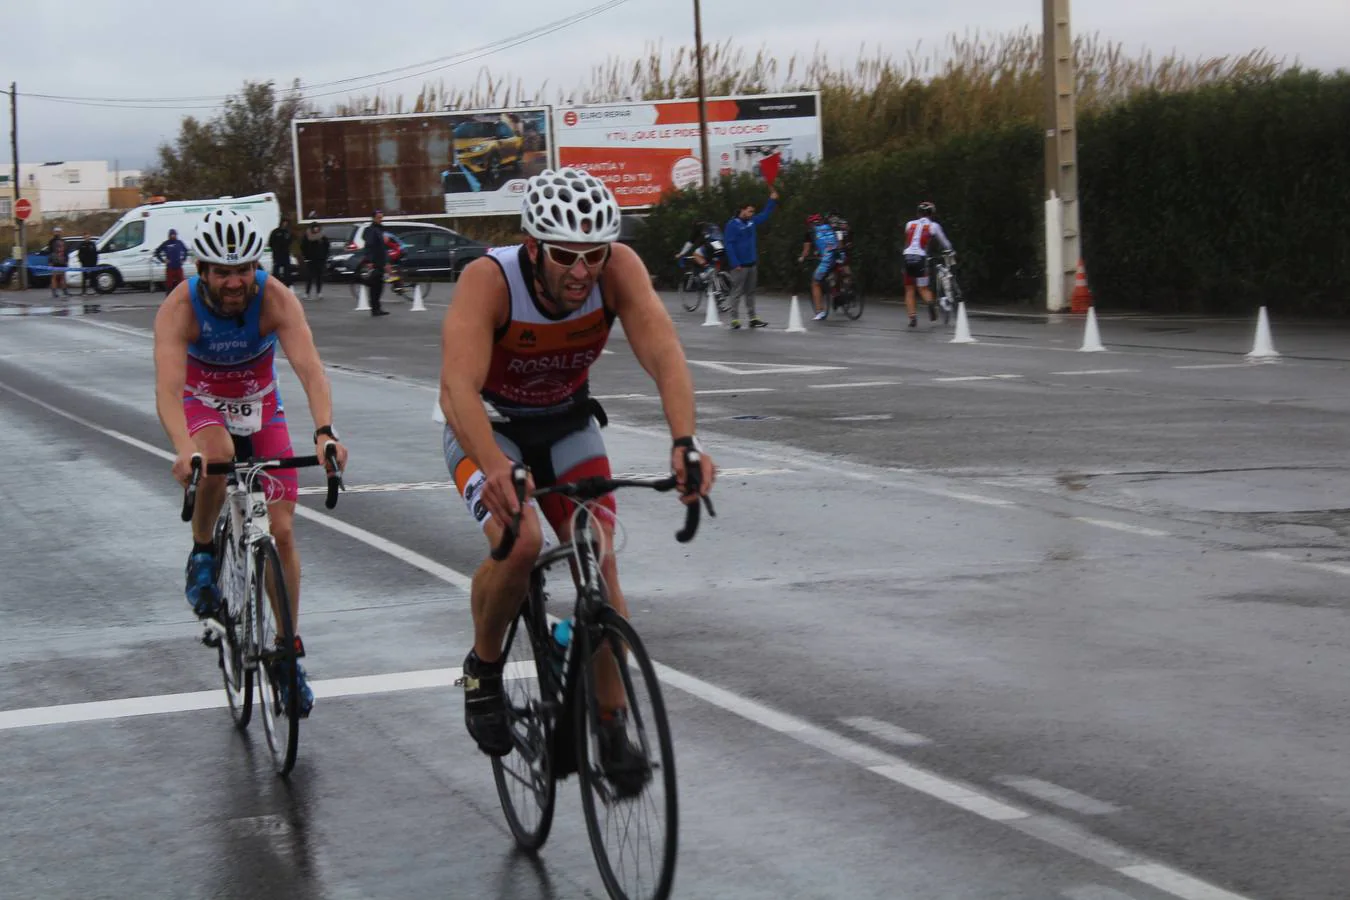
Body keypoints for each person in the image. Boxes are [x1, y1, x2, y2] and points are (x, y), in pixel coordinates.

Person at [439, 168, 716, 789]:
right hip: (487, 426)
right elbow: (457, 388)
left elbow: (664, 353)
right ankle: (481, 673)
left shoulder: (619, 270)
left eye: (594, 255)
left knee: (600, 558)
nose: (582, 271)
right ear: (533, 247)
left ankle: (611, 722)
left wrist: (685, 442)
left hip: (565, 424)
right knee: (524, 542)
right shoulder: (490, 280)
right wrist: (493, 466)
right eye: (565, 255)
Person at [152, 207, 349, 717]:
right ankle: (201, 554)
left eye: (243, 270)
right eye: (223, 271)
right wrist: (183, 447)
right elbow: (169, 390)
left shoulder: (275, 298)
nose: (235, 282)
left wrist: (325, 432)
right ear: (203, 271)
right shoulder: (181, 308)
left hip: (260, 402)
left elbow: (310, 370)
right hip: (201, 401)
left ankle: (286, 654)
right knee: (214, 456)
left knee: (281, 531)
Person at [722, 187, 778, 329]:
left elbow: (765, 215)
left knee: (751, 292)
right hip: (739, 266)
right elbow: (729, 245)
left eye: (753, 211)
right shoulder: (732, 225)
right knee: (736, 292)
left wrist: (772, 200)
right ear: (742, 210)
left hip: (752, 263)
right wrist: (735, 263)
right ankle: (734, 319)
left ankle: (753, 318)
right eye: (750, 211)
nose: (752, 214)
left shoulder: (752, 222)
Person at [901, 201, 955, 328]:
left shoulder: (909, 224)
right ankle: (930, 302)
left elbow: (909, 239)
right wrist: (951, 251)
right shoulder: (933, 226)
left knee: (909, 289)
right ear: (932, 214)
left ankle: (912, 317)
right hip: (921, 258)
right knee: (923, 288)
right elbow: (945, 243)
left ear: (918, 213)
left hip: (907, 256)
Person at [797, 213, 841, 321]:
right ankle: (840, 289)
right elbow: (839, 240)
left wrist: (802, 258)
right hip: (840, 254)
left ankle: (820, 312)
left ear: (810, 224)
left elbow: (806, 251)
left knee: (815, 282)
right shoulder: (830, 227)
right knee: (837, 269)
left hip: (827, 258)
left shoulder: (810, 232)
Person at [362, 211, 391, 317]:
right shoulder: (372, 230)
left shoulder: (380, 229)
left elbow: (383, 248)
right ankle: (375, 308)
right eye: (379, 217)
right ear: (373, 218)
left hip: (381, 260)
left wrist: (386, 262)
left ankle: (377, 307)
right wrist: (369, 261)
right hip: (375, 261)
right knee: (375, 285)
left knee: (379, 285)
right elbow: (368, 246)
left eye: (381, 217)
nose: (380, 219)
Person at [153, 228, 190, 294]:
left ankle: (181, 296)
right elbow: (157, 252)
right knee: (169, 284)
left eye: (174, 235)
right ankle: (169, 297)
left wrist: (183, 259)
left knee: (181, 283)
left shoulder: (179, 242)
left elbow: (186, 251)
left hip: (178, 266)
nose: (173, 236)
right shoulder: (166, 243)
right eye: (172, 235)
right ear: (169, 235)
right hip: (170, 267)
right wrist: (163, 260)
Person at [299, 222, 329, 300]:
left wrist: (324, 256)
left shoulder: (322, 236)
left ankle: (319, 292)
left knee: (319, 276)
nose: (316, 229)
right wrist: (306, 256)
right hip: (310, 259)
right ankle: (307, 293)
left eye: (317, 227)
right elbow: (303, 246)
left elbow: (327, 246)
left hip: (320, 259)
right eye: (314, 227)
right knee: (309, 276)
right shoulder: (307, 236)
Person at [268, 217, 294, 285]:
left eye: (286, 222)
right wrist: (275, 249)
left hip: (285, 254)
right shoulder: (275, 232)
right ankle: (275, 283)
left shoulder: (287, 232)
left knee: (287, 270)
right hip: (277, 254)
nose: (285, 224)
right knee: (276, 270)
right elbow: (270, 243)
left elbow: (290, 241)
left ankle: (287, 283)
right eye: (284, 222)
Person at [46, 228, 70, 298]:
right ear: (54, 232)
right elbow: (49, 252)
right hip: (54, 262)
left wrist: (66, 260)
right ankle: (54, 292)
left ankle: (65, 291)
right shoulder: (51, 241)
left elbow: (66, 251)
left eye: (59, 232)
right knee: (54, 277)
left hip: (62, 261)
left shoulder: (63, 241)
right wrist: (50, 261)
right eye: (56, 232)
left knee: (63, 276)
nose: (58, 233)